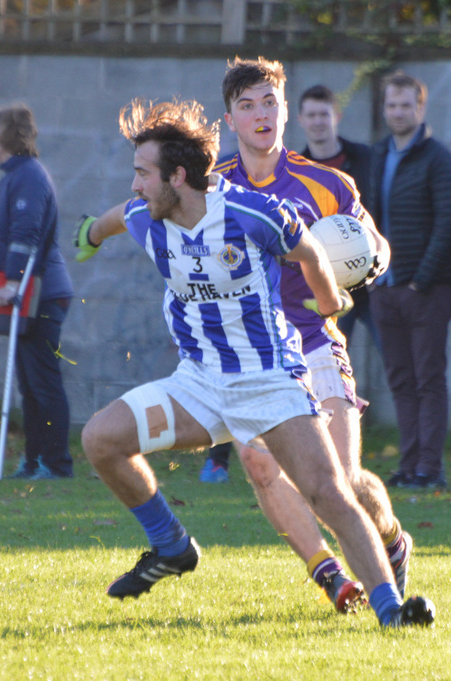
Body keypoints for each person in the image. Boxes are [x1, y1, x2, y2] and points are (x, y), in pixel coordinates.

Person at [76, 96, 433, 628]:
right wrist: (88, 235)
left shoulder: (250, 212)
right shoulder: (144, 216)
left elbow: (310, 250)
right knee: (100, 439)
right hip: (197, 385)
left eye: (142, 174)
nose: (134, 186)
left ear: (177, 176)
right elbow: (110, 220)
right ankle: (171, 545)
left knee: (330, 492)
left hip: (270, 381)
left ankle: (390, 610)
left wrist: (331, 300)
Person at [208, 57, 412, 613]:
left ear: (285, 108)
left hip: (317, 343)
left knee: (340, 482)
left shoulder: (325, 182)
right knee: (259, 464)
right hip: (253, 355)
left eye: (268, 102)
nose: (260, 115)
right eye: (247, 106)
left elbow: (373, 243)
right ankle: (329, 574)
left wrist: (366, 262)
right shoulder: (214, 191)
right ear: (231, 120)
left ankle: (390, 535)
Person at [367, 70, 451, 489]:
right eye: (392, 105)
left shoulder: (441, 160)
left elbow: (449, 224)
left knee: (428, 380)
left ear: (421, 108)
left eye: (406, 104)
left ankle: (430, 468)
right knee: (400, 382)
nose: (398, 112)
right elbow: (364, 221)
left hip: (426, 292)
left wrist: (419, 281)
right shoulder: (377, 156)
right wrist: (371, 278)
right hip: (383, 292)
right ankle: (408, 467)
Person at [0, 103, 75, 480]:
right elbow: (2, 242)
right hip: (23, 293)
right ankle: (34, 458)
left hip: (42, 293)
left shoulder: (30, 177)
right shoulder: (11, 176)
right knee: (27, 384)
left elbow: (27, 235)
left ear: (8, 135)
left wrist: (14, 285)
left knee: (43, 380)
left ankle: (57, 463)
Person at [297, 84, 380, 351]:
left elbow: (383, 211)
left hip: (373, 280)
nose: (318, 121)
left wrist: (380, 261)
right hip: (326, 282)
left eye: (324, 114)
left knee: (394, 361)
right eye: (311, 115)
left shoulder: (367, 159)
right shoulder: (297, 170)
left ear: (337, 116)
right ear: (300, 120)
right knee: (331, 356)